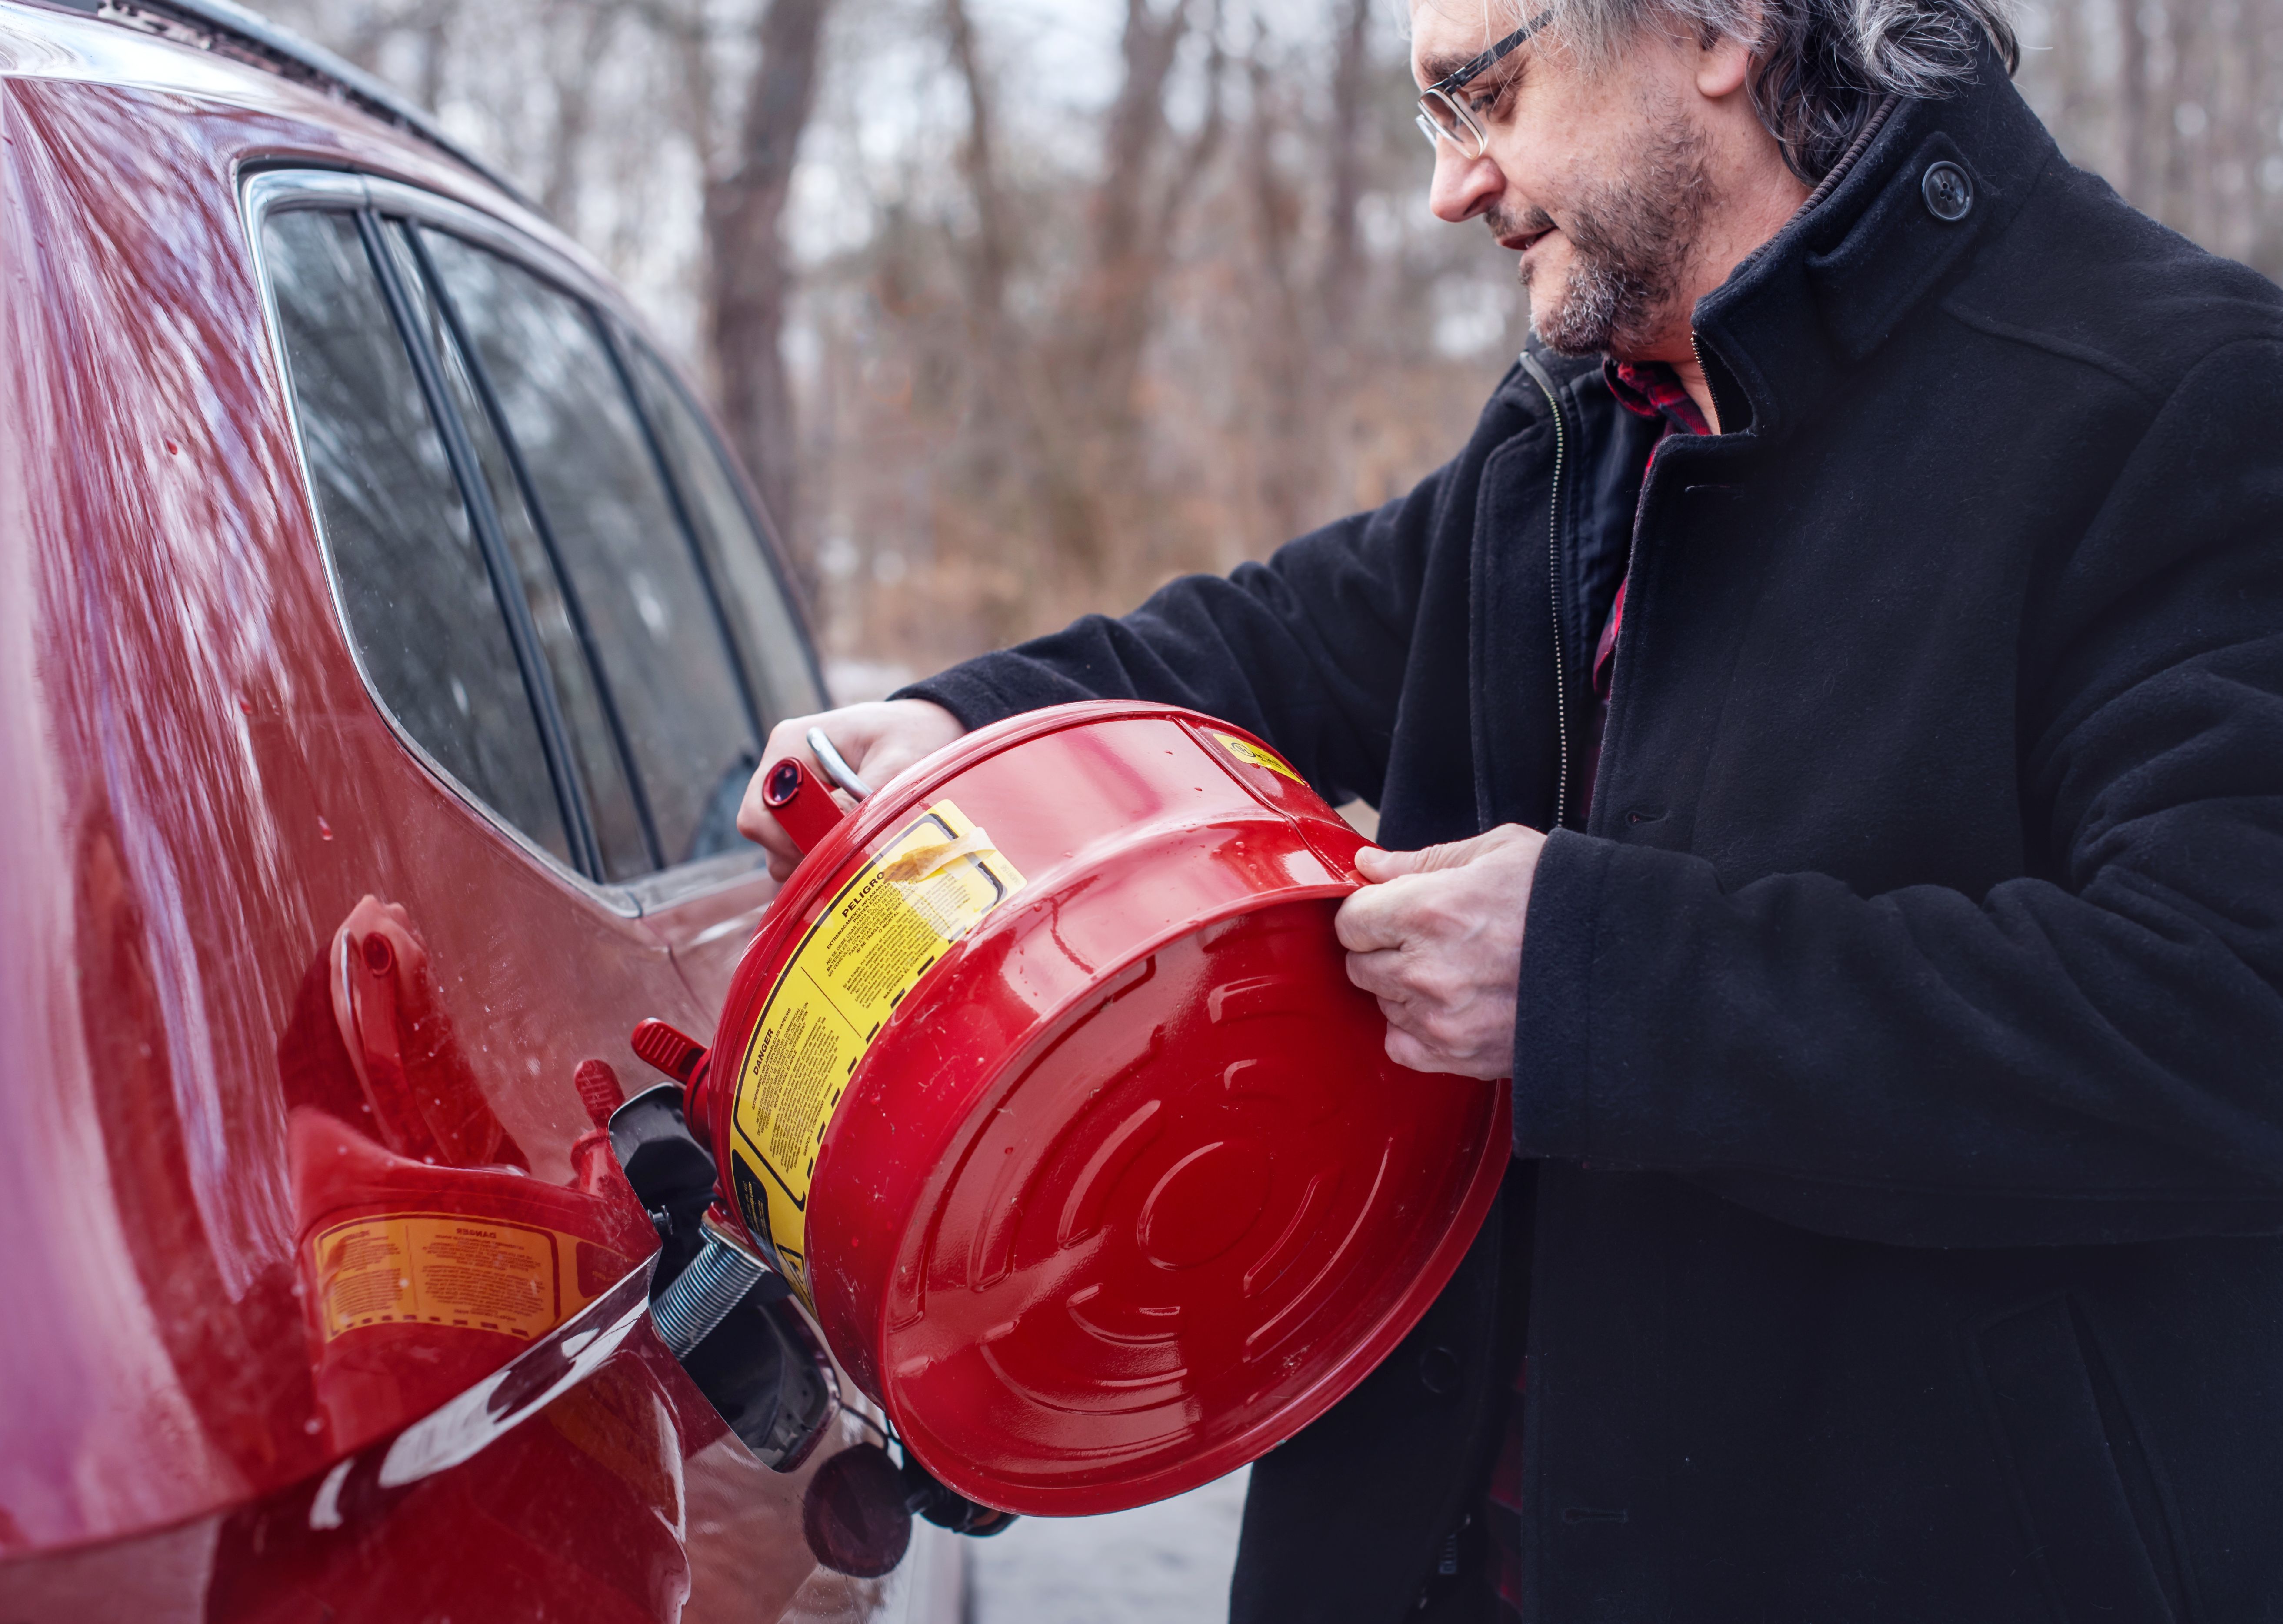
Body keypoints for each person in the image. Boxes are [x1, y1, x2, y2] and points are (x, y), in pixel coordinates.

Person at [740, 0, 2283, 1613]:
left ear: (1718, 28)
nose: (1449, 189)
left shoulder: (2179, 395)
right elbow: (1291, 633)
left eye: (1483, 94)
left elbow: (2226, 1018)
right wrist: (951, 722)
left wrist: (1584, 978)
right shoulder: (1588, 417)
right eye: (1430, 121)